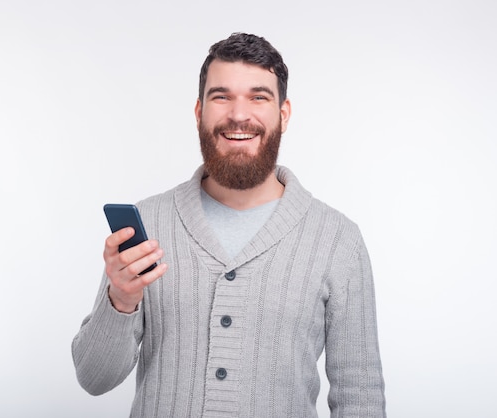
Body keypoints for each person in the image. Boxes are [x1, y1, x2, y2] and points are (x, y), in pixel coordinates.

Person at [72, 32, 386, 417]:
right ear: (199, 111)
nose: (239, 114)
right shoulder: (148, 223)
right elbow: (93, 378)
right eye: (221, 97)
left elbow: (360, 395)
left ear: (283, 114)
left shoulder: (338, 239)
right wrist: (119, 302)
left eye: (258, 97)